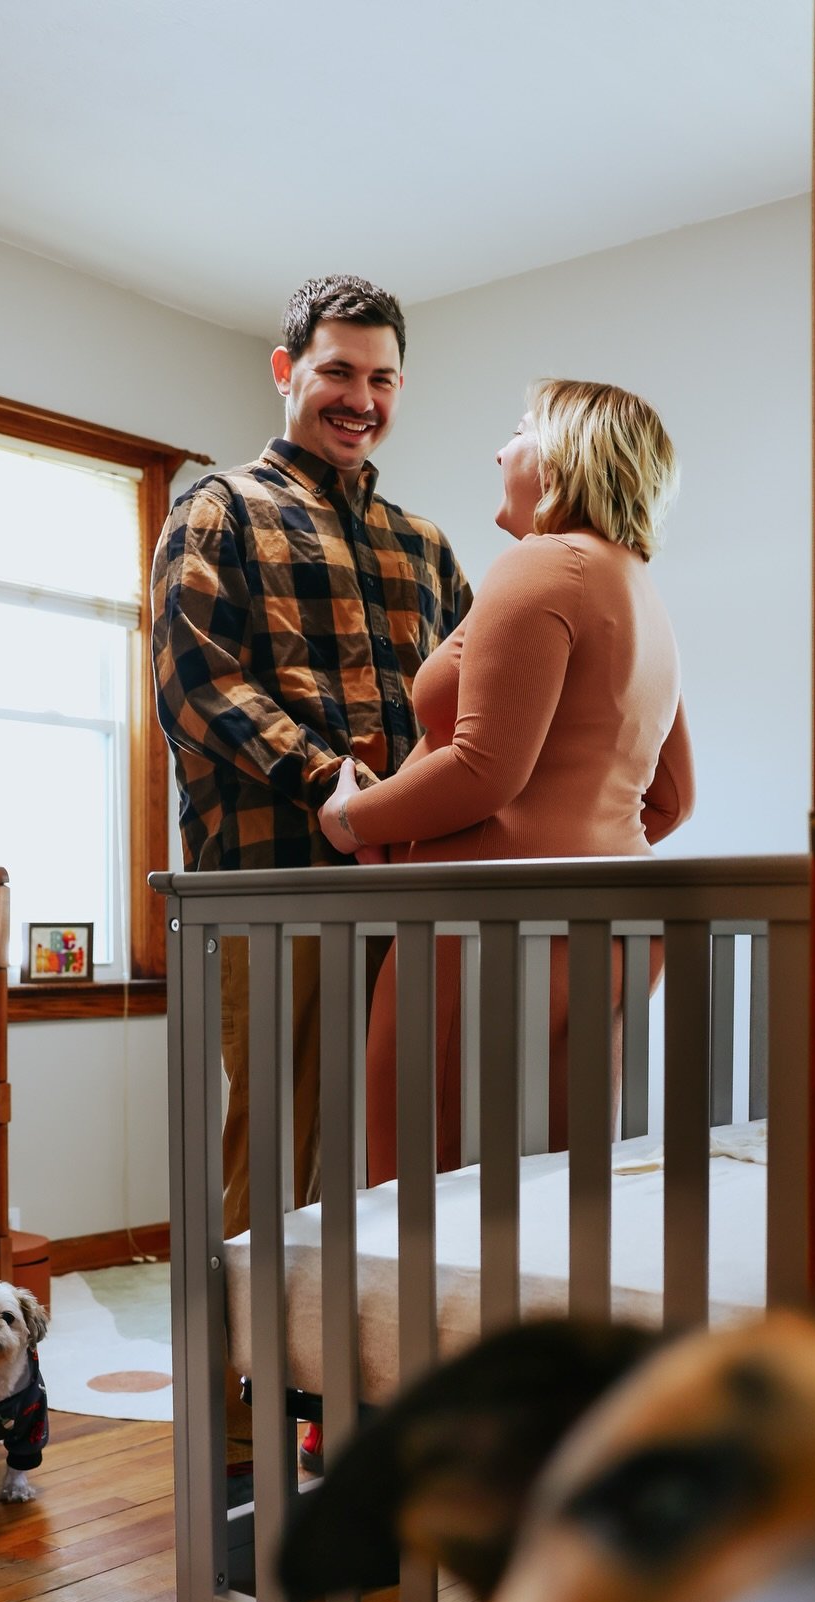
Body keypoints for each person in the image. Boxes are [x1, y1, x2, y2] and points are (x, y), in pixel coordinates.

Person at [152, 273, 471, 1472]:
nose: (362, 398)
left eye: (383, 378)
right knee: (277, 1149)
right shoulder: (217, 512)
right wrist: (327, 781)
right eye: (339, 372)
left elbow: (470, 708)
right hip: (271, 883)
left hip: (409, 889)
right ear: (287, 371)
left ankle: (361, 1402)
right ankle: (244, 1422)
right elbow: (196, 684)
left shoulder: (428, 547)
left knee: (394, 1153)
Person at [320, 377, 694, 1182]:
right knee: (550, 1188)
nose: (501, 449)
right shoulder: (640, 589)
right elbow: (670, 800)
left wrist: (353, 818)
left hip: (490, 932)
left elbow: (486, 770)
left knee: (422, 1190)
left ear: (562, 456)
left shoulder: (542, 566)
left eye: (521, 430)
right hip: (613, 931)